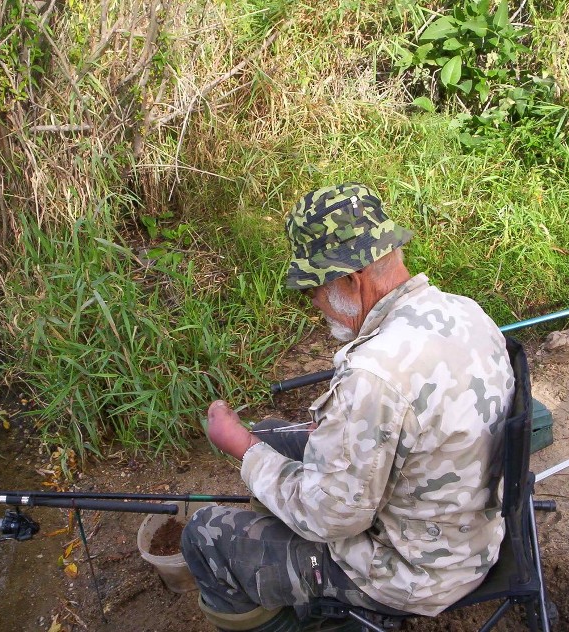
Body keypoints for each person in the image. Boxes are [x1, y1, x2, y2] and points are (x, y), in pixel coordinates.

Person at [181, 183, 515, 631]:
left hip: (411, 575)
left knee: (205, 535)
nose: (314, 305)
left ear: (349, 281)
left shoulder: (373, 375)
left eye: (312, 291)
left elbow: (328, 517)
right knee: (276, 433)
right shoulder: (466, 312)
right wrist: (265, 447)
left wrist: (243, 448)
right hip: (467, 538)